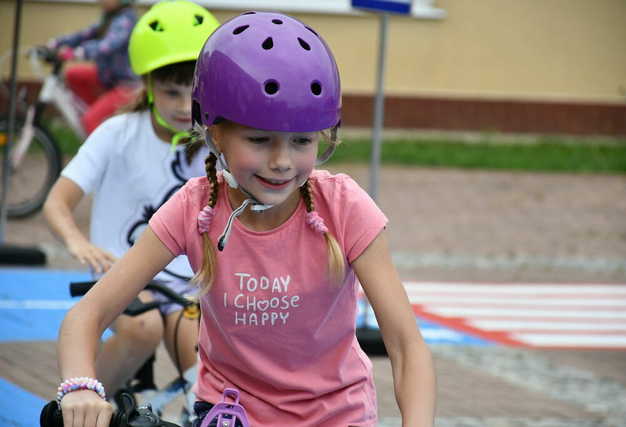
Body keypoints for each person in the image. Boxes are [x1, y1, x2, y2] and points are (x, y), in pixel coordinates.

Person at [54, 10, 436, 427]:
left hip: (337, 416)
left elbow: (405, 345)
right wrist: (80, 387)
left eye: (302, 140)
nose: (282, 161)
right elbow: (85, 316)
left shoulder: (343, 206)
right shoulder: (193, 209)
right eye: (259, 139)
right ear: (215, 134)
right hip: (230, 415)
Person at [43, 0, 219, 410]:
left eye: (191, 93)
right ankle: (72, 410)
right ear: (146, 84)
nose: (181, 106)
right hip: (122, 274)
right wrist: (77, 242)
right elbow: (57, 201)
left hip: (185, 283)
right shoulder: (118, 132)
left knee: (205, 367)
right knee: (142, 328)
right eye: (169, 91)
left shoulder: (214, 141)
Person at [47, 0, 139, 135]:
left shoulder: (126, 20)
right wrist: (57, 42)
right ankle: (97, 113)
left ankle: (101, 146)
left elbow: (108, 45)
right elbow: (85, 34)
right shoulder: (108, 17)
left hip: (126, 85)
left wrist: (80, 52)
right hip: (107, 77)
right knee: (73, 75)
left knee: (90, 121)